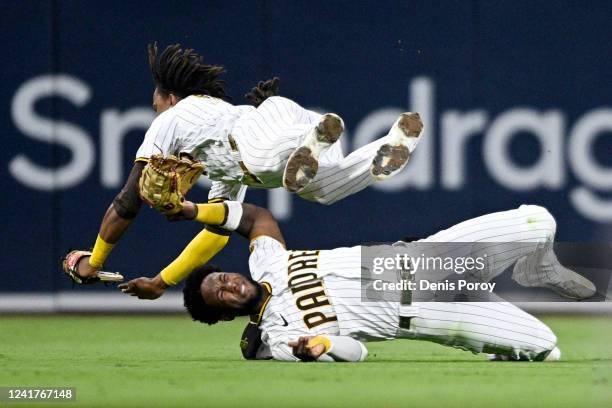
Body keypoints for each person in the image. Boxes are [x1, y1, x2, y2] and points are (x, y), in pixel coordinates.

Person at [64, 42, 423, 296]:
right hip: (282, 125)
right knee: (323, 190)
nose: (156, 110)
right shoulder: (211, 149)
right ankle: (383, 149)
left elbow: (128, 200)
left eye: (156, 103)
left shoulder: (173, 117)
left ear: (170, 98)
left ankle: (314, 139)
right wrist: (161, 281)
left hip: (264, 135)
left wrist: (94, 261)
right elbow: (219, 229)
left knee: (261, 160)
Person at [119, 199, 596, 362]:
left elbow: (257, 217)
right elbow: (357, 351)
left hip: (420, 262)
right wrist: (320, 348)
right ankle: (496, 341)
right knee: (545, 347)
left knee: (538, 221)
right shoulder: (282, 335)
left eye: (221, 276)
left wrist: (189, 210)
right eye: (219, 294)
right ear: (224, 313)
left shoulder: (267, 263)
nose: (227, 285)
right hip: (426, 314)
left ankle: (538, 269)